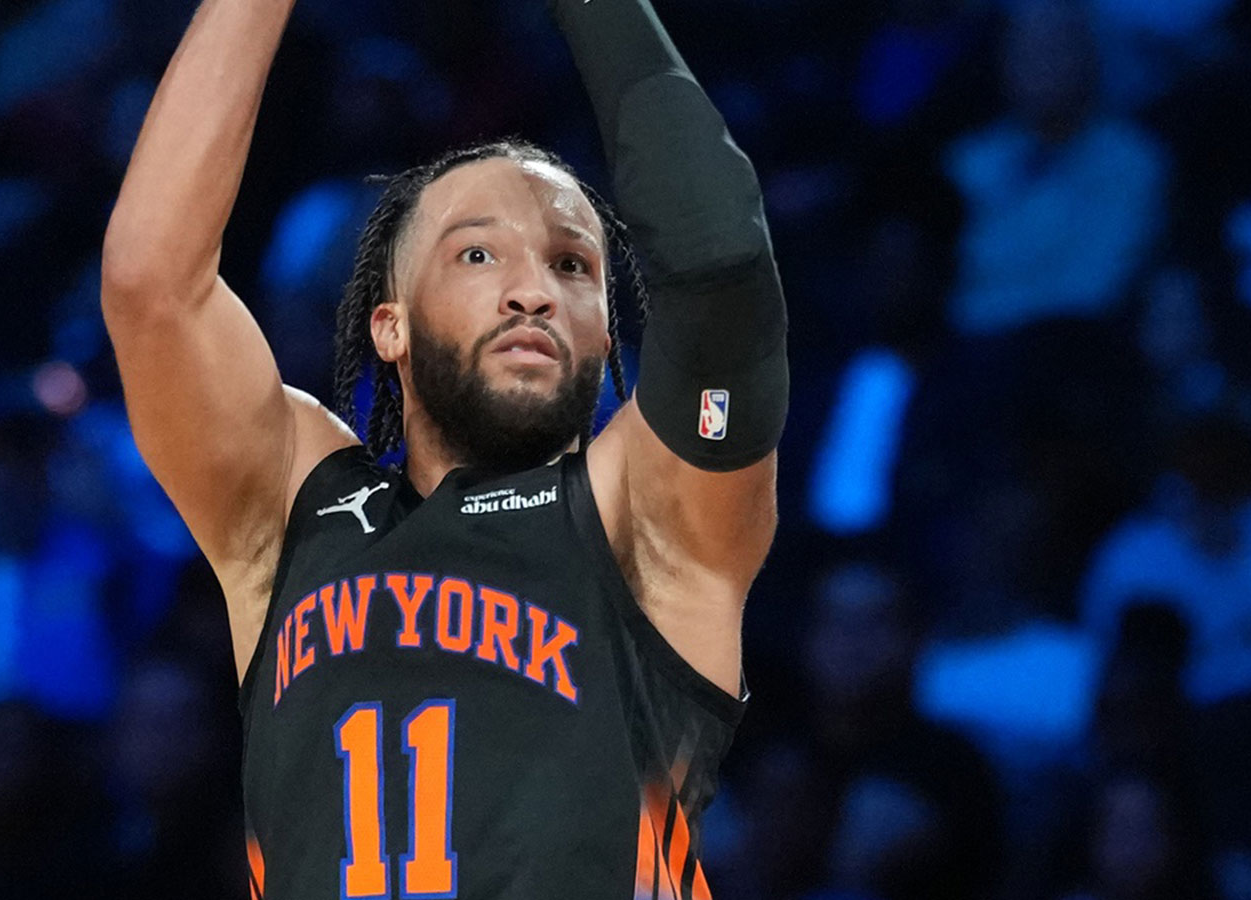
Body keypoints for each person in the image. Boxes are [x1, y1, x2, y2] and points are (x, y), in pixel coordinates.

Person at [101, 0, 789, 896]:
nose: (532, 291)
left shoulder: (646, 518)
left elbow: (721, 268)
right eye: (478, 256)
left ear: (604, 337)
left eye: (573, 265)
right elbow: (150, 283)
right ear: (388, 326)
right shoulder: (298, 511)